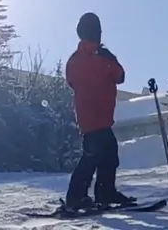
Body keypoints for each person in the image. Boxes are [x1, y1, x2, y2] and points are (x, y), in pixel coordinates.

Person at [64, 12, 136, 212]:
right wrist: (111, 59)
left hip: (87, 117)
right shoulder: (103, 57)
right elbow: (120, 77)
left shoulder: (74, 59)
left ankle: (100, 192)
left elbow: (71, 81)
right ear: (96, 33)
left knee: (103, 153)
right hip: (101, 116)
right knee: (94, 157)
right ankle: (79, 196)